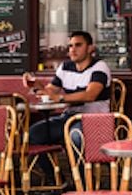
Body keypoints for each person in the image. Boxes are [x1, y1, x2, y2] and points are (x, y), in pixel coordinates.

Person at [27, 31, 111, 183]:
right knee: (33, 134)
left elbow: (90, 95)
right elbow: (51, 90)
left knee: (75, 136)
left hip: (94, 120)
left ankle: (84, 183)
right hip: (69, 117)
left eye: (78, 45)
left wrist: (60, 98)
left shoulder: (99, 67)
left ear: (90, 48)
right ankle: (56, 180)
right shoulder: (65, 67)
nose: (73, 49)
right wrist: (36, 86)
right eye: (70, 46)